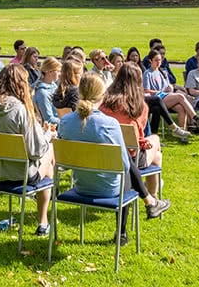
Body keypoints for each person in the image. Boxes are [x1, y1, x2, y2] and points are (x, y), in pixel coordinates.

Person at [59, 72, 171, 246]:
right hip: (109, 189)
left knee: (122, 160)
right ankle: (124, 230)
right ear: (102, 95)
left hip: (81, 183)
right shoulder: (109, 124)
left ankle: (150, 201)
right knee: (124, 163)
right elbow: (125, 166)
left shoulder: (65, 121)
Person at [0, 64, 55, 236]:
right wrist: (48, 136)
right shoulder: (20, 109)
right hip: (21, 175)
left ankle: (37, 219)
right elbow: (36, 151)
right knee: (49, 155)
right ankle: (43, 222)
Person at [100, 66, 165, 200]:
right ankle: (152, 196)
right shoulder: (139, 105)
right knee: (156, 141)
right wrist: (143, 142)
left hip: (105, 153)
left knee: (157, 156)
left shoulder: (104, 102)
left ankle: (151, 195)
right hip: (130, 157)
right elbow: (137, 134)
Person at [141, 51, 199, 140]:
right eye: (156, 60)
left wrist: (169, 88)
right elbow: (146, 90)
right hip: (158, 98)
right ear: (150, 61)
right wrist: (160, 91)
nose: (159, 62)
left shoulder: (162, 72)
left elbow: (167, 86)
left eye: (160, 60)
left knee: (181, 108)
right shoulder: (147, 73)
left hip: (166, 96)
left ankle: (183, 135)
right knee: (180, 97)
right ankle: (196, 118)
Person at [33, 56, 62, 126]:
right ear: (49, 72)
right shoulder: (42, 93)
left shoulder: (54, 85)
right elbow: (48, 119)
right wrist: (67, 122)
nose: (60, 74)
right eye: (57, 71)